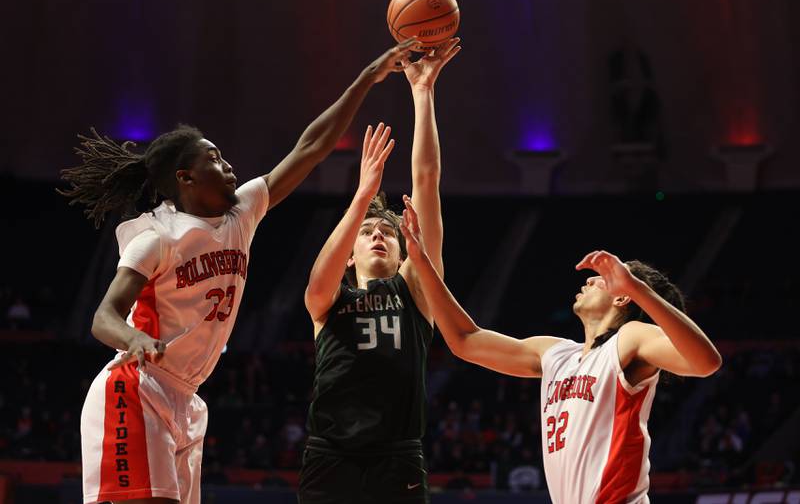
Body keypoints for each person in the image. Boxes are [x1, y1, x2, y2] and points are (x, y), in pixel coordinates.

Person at [60, 38, 419, 504]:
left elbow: (310, 147)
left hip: (187, 398)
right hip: (136, 390)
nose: (229, 167)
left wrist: (367, 76)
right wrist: (135, 339)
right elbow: (104, 317)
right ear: (185, 178)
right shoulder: (158, 236)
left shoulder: (241, 212)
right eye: (214, 159)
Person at [398, 199, 722, 504]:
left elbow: (705, 362)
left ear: (622, 297)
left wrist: (637, 287)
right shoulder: (556, 353)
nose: (590, 280)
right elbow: (465, 340)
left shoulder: (630, 338)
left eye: (602, 280)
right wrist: (421, 260)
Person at [298, 38, 461, 504]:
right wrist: (362, 194)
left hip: (398, 456)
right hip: (330, 456)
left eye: (387, 233)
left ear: (401, 250)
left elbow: (427, 182)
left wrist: (423, 91)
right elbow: (316, 281)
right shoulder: (329, 302)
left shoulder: (414, 290)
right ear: (349, 250)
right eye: (367, 231)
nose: (377, 236)